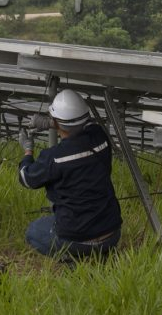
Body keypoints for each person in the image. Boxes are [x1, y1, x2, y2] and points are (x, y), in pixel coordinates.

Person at [17, 89, 122, 260]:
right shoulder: (100, 137)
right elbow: (84, 124)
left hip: (76, 238)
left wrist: (28, 150)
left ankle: (72, 257)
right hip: (112, 234)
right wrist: (52, 123)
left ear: (58, 122)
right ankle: (100, 252)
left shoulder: (55, 157)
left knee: (34, 231)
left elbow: (26, 179)